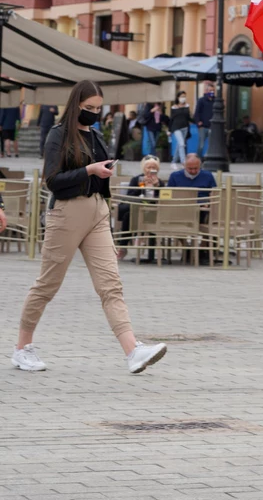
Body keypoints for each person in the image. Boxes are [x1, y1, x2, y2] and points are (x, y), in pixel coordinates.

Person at [11, 81, 168, 374]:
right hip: (67, 211)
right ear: (76, 106)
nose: (95, 113)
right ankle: (22, 349)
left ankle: (132, 350)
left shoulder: (96, 135)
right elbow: (53, 180)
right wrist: (89, 170)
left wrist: (103, 172)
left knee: (111, 284)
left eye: (99, 108)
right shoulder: (58, 135)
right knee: (47, 284)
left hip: (97, 210)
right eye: (89, 108)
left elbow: (97, 172)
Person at [167, 154, 218, 265]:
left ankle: (201, 249)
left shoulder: (207, 176)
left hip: (202, 209)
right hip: (180, 209)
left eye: (196, 168)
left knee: (211, 219)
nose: (193, 171)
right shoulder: (175, 176)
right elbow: (168, 195)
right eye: (190, 168)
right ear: (184, 165)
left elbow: (214, 194)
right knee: (171, 220)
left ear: (200, 166)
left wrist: (208, 203)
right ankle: (187, 247)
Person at [116, 155, 163, 262]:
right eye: (148, 167)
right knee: (128, 215)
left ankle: (151, 253)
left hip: (154, 212)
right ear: (143, 168)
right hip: (136, 210)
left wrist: (157, 187)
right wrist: (142, 187)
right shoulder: (137, 179)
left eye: (154, 168)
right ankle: (123, 247)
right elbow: (129, 197)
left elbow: (163, 198)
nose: (151, 170)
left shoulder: (159, 182)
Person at [170, 91, 191, 170]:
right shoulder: (174, 107)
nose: (183, 98)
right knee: (182, 144)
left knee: (179, 145)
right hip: (176, 127)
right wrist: (169, 130)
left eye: (184, 96)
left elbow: (188, 117)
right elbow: (171, 119)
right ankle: (184, 162)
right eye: (182, 96)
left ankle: (173, 162)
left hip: (185, 127)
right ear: (178, 97)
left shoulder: (187, 106)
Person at [193, 82, 215, 156]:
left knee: (211, 144)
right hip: (203, 126)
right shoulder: (201, 100)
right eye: (210, 90)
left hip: (212, 126)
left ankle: (208, 158)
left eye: (213, 91)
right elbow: (197, 112)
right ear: (206, 91)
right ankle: (198, 158)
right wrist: (198, 122)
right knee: (201, 144)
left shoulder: (215, 101)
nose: (211, 92)